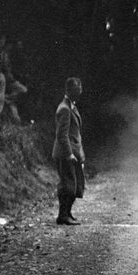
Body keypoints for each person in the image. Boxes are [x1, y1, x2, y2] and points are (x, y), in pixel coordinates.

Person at [53, 77, 85, 226]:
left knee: (75, 185)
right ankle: (63, 215)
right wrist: (69, 154)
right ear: (68, 90)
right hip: (65, 154)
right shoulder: (65, 109)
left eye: (80, 89)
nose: (80, 92)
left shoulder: (71, 106)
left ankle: (67, 213)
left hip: (72, 152)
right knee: (68, 185)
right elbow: (62, 135)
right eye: (77, 89)